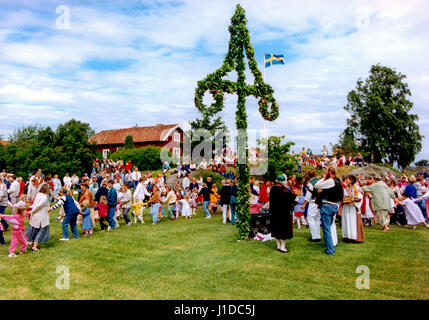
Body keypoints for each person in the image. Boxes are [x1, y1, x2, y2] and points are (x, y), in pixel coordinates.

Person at [314, 167, 343, 255]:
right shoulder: (338, 181)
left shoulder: (330, 181)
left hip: (327, 205)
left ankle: (330, 250)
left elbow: (316, 186)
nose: (325, 173)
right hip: (334, 205)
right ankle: (331, 246)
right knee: (329, 228)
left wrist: (323, 178)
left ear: (330, 172)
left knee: (326, 229)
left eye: (326, 171)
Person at [269, 174, 296, 253]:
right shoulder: (285, 190)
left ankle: (278, 245)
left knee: (276, 229)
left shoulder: (272, 189)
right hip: (284, 213)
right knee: (284, 230)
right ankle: (282, 247)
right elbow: (293, 199)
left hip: (275, 212)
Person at [25, 184, 51, 251]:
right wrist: (32, 211)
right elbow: (38, 206)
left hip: (35, 216)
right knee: (41, 231)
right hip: (41, 216)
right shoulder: (44, 197)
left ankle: (30, 242)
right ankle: (34, 246)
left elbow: (34, 204)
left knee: (34, 229)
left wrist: (31, 210)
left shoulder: (38, 194)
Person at [341, 175, 365, 243]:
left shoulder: (356, 188)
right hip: (346, 206)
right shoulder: (345, 188)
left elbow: (359, 197)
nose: (346, 180)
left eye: (348, 179)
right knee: (346, 220)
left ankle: (354, 236)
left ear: (351, 180)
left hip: (352, 207)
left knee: (352, 221)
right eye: (345, 179)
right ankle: (347, 236)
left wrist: (352, 200)